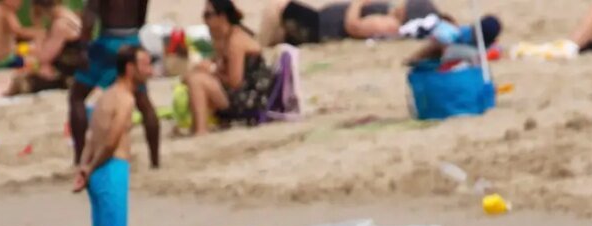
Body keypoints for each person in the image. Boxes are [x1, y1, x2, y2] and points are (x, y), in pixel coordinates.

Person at [72, 45, 150, 226]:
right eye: (144, 65)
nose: (149, 70)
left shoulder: (104, 97)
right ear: (130, 68)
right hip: (111, 168)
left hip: (97, 171)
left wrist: (84, 168)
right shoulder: (125, 100)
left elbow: (91, 138)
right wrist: (92, 167)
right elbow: (112, 139)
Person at [69, 0, 159, 168]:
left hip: (107, 41)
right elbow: (141, 16)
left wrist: (83, 48)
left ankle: (79, 157)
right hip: (131, 39)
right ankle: (155, 161)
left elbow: (90, 16)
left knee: (77, 96)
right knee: (143, 101)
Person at [186, 0, 273, 135]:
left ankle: (201, 130)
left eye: (208, 15)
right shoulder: (224, 38)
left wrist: (212, 70)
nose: (205, 20)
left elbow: (235, 82)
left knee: (197, 81)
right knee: (194, 76)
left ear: (222, 17)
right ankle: (197, 127)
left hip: (249, 98)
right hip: (241, 94)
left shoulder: (235, 41)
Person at [259, 0, 438, 47]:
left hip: (322, 27)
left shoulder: (390, 24)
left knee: (278, 6)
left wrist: (358, 3)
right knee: (280, 29)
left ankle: (260, 47)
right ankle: (263, 43)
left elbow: (353, 27)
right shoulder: (391, 16)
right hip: (323, 22)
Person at [6, 0, 83, 95]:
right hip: (75, 70)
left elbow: (43, 58)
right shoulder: (69, 16)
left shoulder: (60, 25)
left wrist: (38, 30)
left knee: (21, 81)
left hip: (70, 77)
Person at [404, 14, 501, 65]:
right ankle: (416, 59)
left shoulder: (465, 33)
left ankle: (416, 59)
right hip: (449, 52)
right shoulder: (463, 34)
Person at [0, 0, 41, 69]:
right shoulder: (6, 11)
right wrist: (40, 33)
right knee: (36, 61)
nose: (20, 3)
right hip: (4, 63)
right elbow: (19, 32)